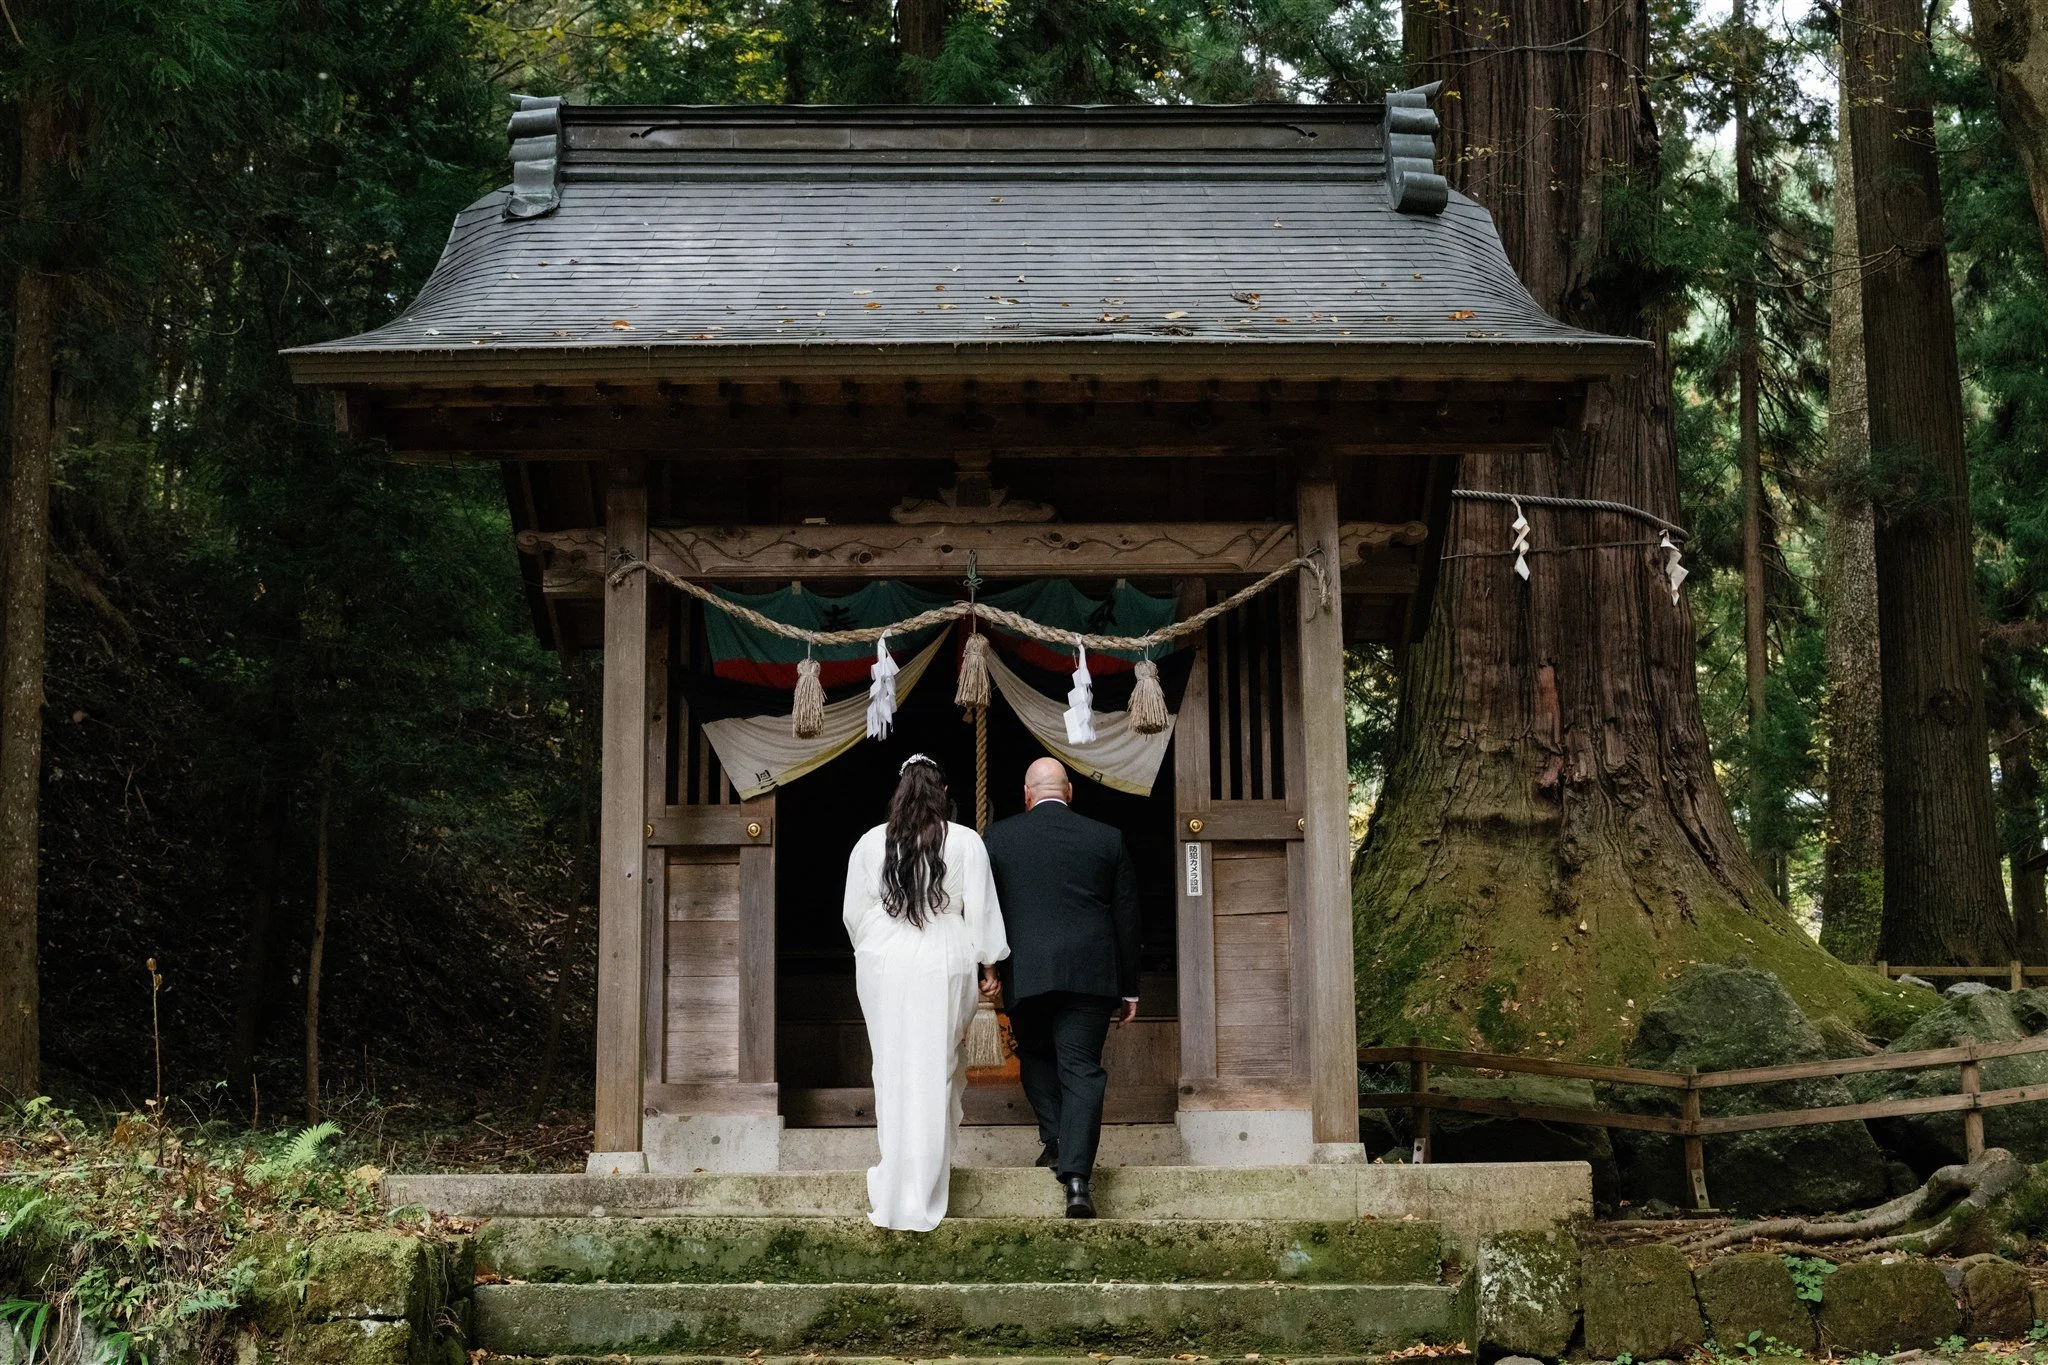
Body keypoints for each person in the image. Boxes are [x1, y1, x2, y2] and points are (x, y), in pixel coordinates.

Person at [842, 753, 1009, 1232]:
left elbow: (854, 915)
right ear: (943, 792)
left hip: (886, 961)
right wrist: (988, 964)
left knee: (892, 1070)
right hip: (945, 959)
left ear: (900, 792)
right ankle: (928, 1187)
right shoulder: (966, 841)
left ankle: (896, 1182)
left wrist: (882, 944)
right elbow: (980, 912)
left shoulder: (872, 843)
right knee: (936, 1070)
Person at [982, 757, 1140, 1218]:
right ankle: (1077, 1179)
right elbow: (1126, 917)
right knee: (1082, 1068)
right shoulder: (1106, 838)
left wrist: (987, 968)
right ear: (1069, 791)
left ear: (1027, 795)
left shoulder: (999, 838)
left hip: (1026, 973)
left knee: (1035, 1056)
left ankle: (1054, 1141)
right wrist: (1129, 987)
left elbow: (985, 909)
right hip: (1091, 975)